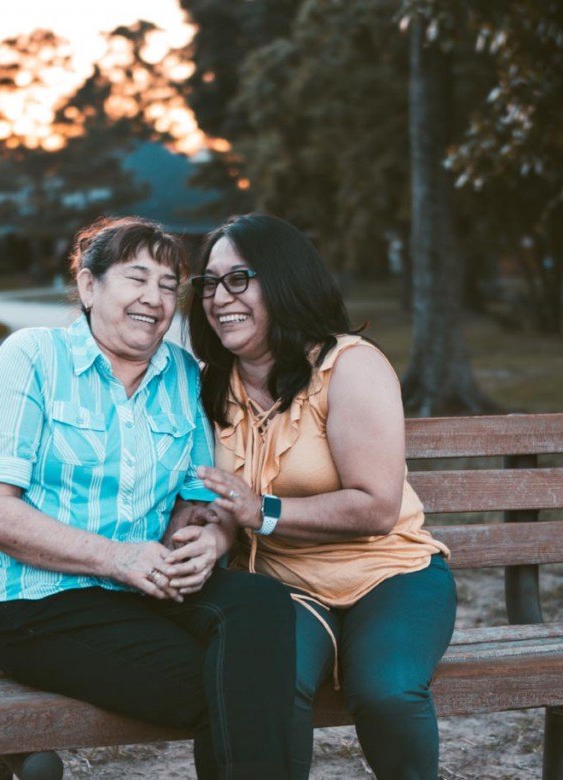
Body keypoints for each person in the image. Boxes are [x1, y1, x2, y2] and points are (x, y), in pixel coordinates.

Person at [0, 216, 296, 780]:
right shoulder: (32, 358)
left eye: (167, 285)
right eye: (136, 278)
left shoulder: (182, 374)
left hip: (144, 592)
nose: (154, 299)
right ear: (88, 286)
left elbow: (197, 497)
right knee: (236, 685)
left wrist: (205, 539)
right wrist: (118, 558)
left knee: (263, 605)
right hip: (41, 606)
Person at [184, 213, 457, 780]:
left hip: (390, 575)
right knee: (266, 692)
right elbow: (217, 500)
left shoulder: (348, 366)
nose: (219, 297)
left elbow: (377, 505)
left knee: (386, 691)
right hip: (282, 588)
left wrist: (264, 510)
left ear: (283, 280)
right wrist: (210, 534)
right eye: (210, 282)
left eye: (239, 279)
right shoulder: (209, 383)